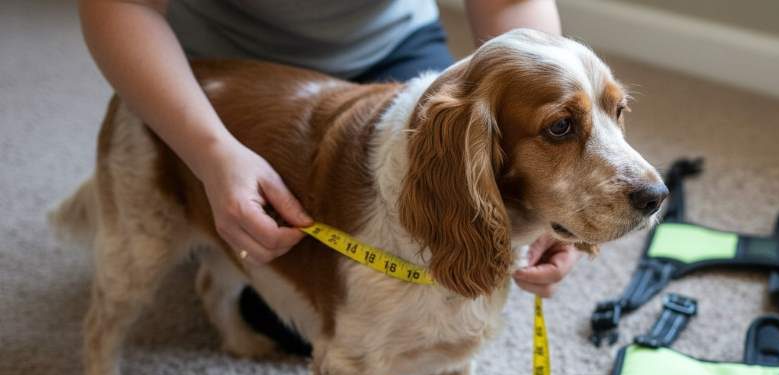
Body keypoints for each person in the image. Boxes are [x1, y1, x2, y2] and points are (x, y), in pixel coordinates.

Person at [78, 0, 580, 353]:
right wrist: (212, 156)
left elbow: (513, 5)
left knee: (445, 263)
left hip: (391, 45)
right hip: (216, 70)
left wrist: (560, 157)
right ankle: (194, 220)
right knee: (314, 320)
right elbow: (124, 7)